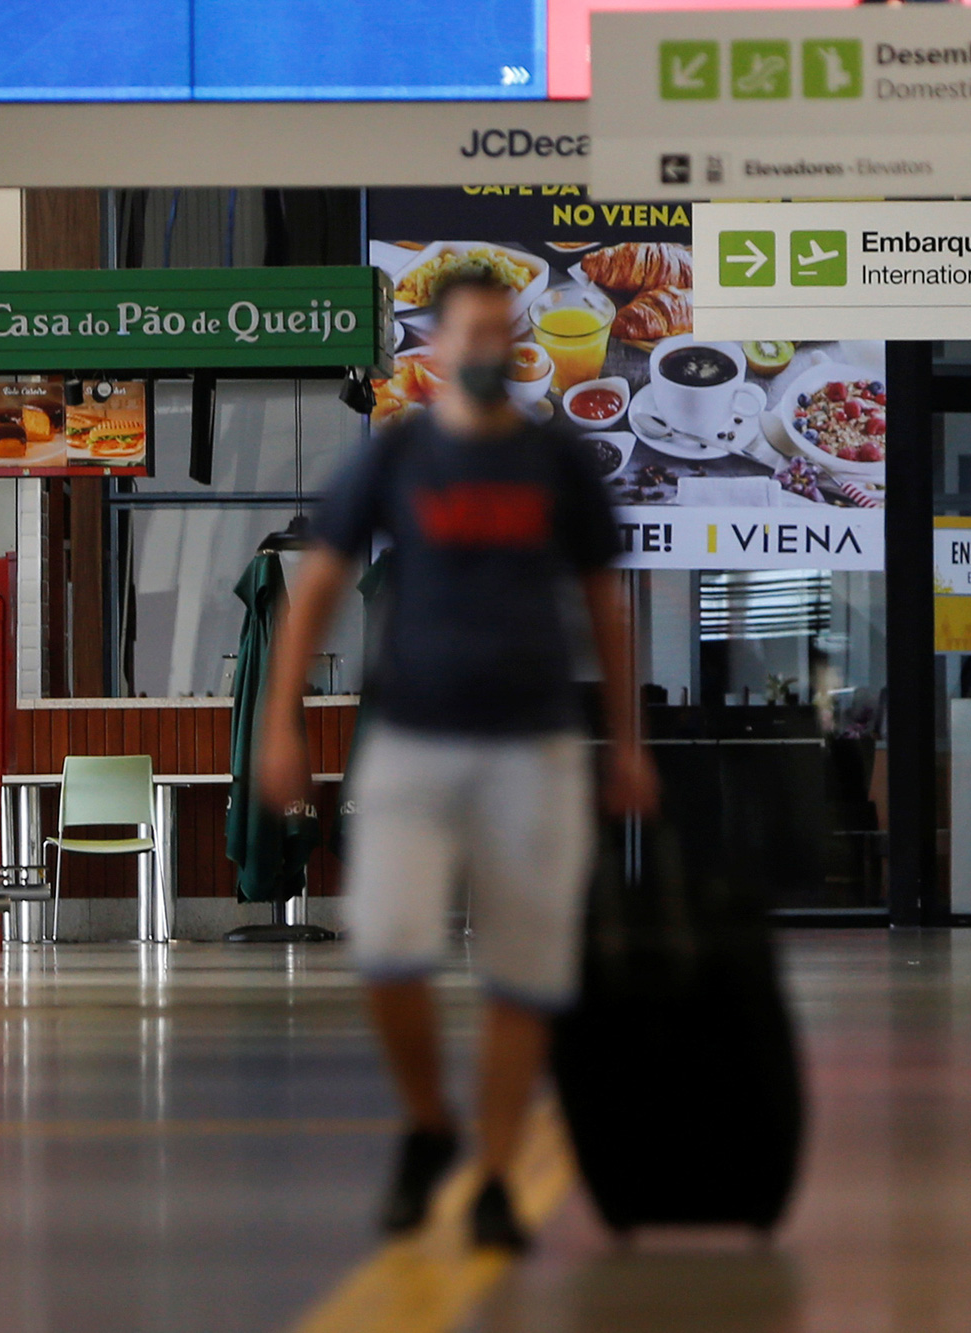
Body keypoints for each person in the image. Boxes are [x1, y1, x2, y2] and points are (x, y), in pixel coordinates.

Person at [258, 271, 657, 1251]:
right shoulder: (395, 458)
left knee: (525, 970)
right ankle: (430, 1121)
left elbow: (604, 603)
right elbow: (314, 588)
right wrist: (282, 723)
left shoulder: (557, 460)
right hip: (411, 741)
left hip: (536, 749)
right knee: (389, 947)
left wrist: (628, 741)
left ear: (517, 344)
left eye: (498, 332)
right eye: (466, 332)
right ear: (434, 349)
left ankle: (491, 1173)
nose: (482, 348)